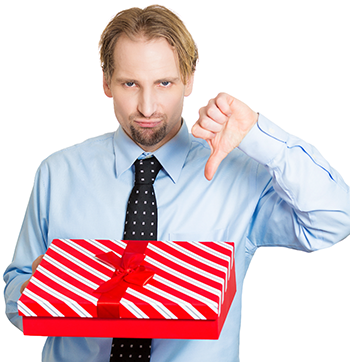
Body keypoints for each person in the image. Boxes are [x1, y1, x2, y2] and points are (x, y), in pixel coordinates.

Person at [4, 4, 350, 362]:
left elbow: (333, 219)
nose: (148, 107)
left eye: (164, 83)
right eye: (130, 84)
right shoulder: (58, 174)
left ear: (189, 80)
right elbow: (16, 291)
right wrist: (41, 291)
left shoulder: (239, 175)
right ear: (106, 82)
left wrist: (258, 136)